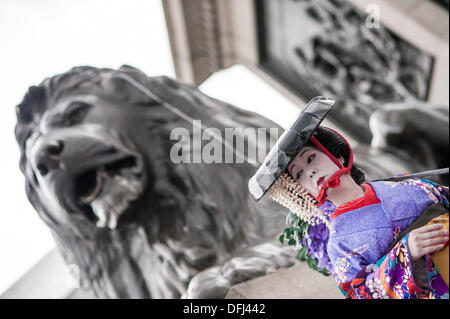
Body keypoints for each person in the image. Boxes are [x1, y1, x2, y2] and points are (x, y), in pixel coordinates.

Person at [248, 96, 449, 299]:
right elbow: (359, 294)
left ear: (337, 155)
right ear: (302, 192)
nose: (310, 172)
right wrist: (405, 254)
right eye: (298, 174)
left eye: (311, 158)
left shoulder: (402, 184)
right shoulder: (340, 245)